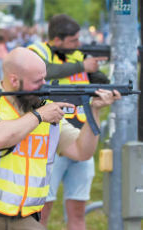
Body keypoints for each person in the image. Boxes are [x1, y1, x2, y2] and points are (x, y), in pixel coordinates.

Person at [0, 47, 119, 230]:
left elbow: (81, 151)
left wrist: (95, 111)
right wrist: (39, 116)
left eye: (44, 78)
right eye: (37, 81)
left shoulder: (42, 107)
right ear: (14, 80)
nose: (44, 85)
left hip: (26, 219)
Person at [27, 14, 109, 230]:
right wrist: (82, 65)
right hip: (49, 143)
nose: (77, 45)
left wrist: (103, 80)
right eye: (73, 41)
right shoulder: (37, 52)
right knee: (41, 216)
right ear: (57, 41)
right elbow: (48, 70)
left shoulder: (78, 55)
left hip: (82, 138)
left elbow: (101, 82)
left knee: (78, 214)